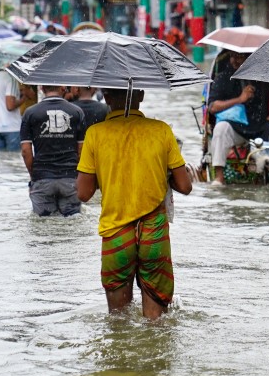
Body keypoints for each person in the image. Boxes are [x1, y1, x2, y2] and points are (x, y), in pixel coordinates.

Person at [76, 88, 194, 318]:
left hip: (116, 236)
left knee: (118, 322)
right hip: (154, 233)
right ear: (140, 95)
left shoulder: (95, 134)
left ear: (106, 97)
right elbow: (185, 186)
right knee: (156, 324)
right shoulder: (161, 130)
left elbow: (83, 193)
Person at [207, 50, 269, 184]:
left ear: (249, 59)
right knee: (220, 128)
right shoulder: (223, 77)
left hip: (261, 126)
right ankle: (219, 177)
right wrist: (240, 99)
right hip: (235, 127)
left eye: (239, 57)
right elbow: (212, 107)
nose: (234, 61)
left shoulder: (264, 75)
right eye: (232, 56)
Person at [21, 85, 86, 216]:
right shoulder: (76, 112)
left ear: (41, 89)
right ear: (63, 88)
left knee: (43, 226)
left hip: (42, 178)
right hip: (70, 178)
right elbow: (82, 150)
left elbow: (26, 151)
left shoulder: (30, 113)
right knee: (73, 222)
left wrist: (34, 175)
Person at [0, 69, 23, 151]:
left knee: (2, 161)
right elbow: (10, 106)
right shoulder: (11, 78)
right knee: (12, 160)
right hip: (12, 128)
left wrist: (0, 112)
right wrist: (24, 98)